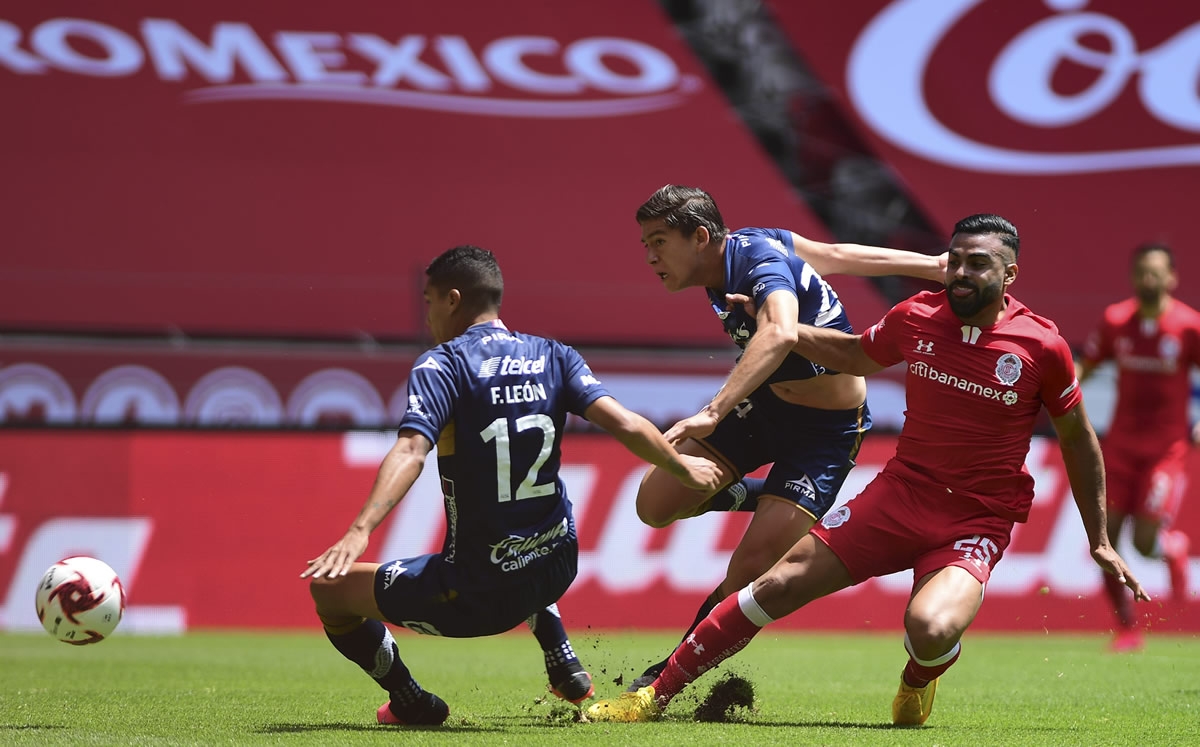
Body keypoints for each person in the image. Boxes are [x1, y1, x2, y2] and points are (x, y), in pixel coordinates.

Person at [587, 213, 1150, 725]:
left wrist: (1098, 538)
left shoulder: (1042, 346)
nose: (959, 272)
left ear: (1009, 275)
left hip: (976, 519)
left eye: (977, 264)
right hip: (899, 496)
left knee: (928, 629)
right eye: (953, 260)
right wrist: (775, 327)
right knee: (772, 584)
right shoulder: (915, 317)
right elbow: (855, 353)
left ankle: (917, 679)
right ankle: (651, 695)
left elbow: (1078, 440)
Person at [301, 245, 722, 726]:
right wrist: (684, 470)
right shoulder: (554, 356)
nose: (428, 313)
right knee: (524, 535)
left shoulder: (443, 366)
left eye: (429, 301)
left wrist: (360, 530)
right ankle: (559, 651)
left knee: (328, 592)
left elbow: (412, 451)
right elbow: (626, 424)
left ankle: (410, 700)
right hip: (558, 563)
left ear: (453, 300)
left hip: (478, 595)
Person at [624, 184, 944, 689]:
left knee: (749, 570)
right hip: (764, 406)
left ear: (700, 237)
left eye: (658, 242)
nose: (649, 256)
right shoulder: (751, 247)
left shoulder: (759, 264)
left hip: (826, 433)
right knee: (654, 503)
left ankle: (664, 678)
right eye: (646, 243)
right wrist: (933, 266)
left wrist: (711, 413)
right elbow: (837, 255)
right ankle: (751, 494)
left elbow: (780, 332)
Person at [1079, 243, 1197, 653]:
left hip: (1167, 451)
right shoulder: (1116, 321)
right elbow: (1084, 369)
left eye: (1157, 273)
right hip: (1120, 449)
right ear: (1133, 276)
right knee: (1103, 543)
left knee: (1145, 542)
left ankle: (1172, 547)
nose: (1149, 280)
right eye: (1142, 272)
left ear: (1172, 277)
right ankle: (1128, 629)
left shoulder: (1187, 326)